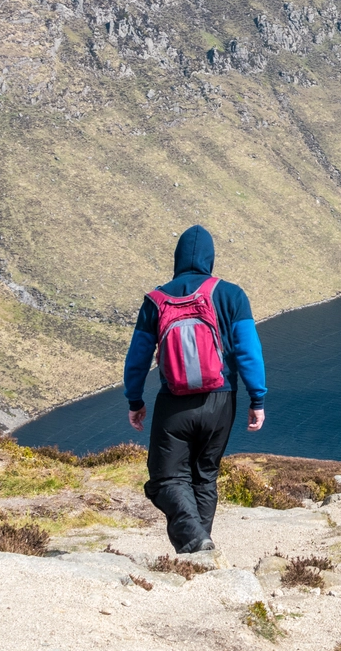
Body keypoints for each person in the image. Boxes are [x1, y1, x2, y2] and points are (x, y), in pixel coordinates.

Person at [124, 224, 267, 554]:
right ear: (210, 259)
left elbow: (138, 356)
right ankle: (202, 548)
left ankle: (195, 542)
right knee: (204, 477)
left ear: (177, 258)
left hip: (174, 404)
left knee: (166, 479)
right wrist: (256, 398)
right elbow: (248, 351)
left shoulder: (156, 300)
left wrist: (135, 399)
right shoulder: (231, 295)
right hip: (222, 401)